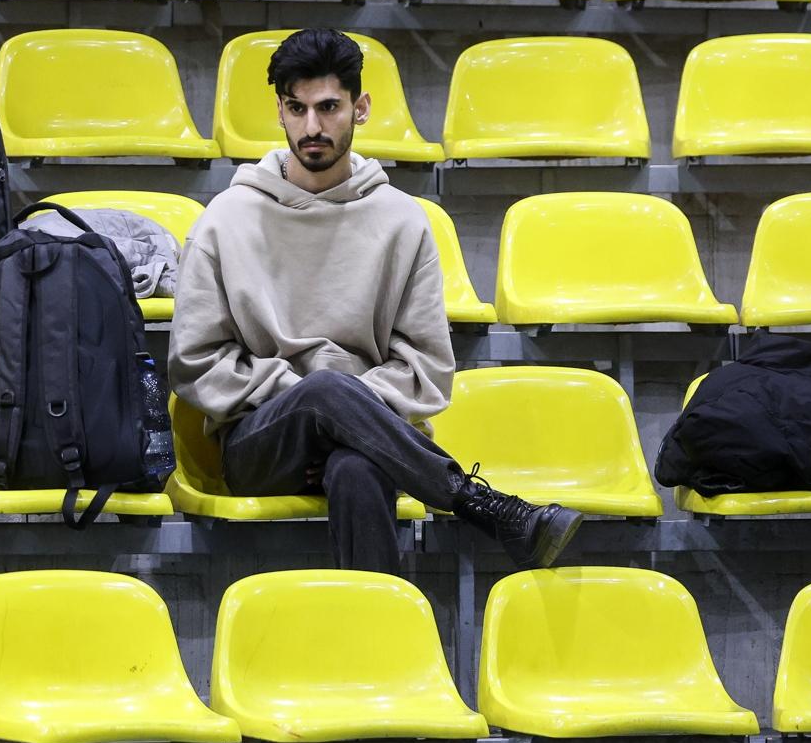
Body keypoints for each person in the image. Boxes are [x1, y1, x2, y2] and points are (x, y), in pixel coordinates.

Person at [168, 29, 581, 576]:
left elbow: (426, 367)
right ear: (280, 111)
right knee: (323, 392)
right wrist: (313, 403)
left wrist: (345, 420)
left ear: (359, 109)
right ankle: (479, 503)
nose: (311, 127)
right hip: (261, 441)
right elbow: (196, 361)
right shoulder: (225, 219)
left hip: (374, 439)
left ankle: (377, 625)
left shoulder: (402, 221)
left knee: (357, 467)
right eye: (297, 108)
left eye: (328, 107)